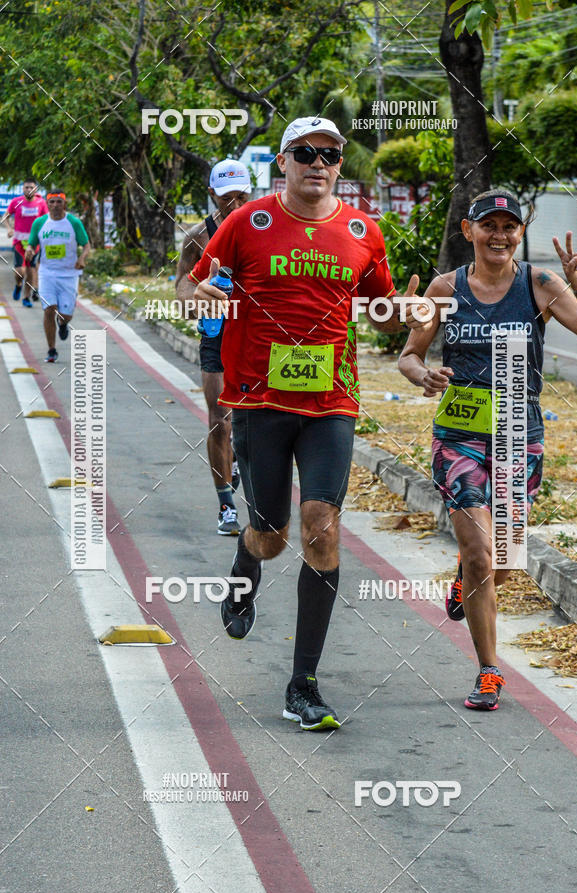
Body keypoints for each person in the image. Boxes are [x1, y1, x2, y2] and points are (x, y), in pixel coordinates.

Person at [189, 116, 415, 730]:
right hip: (261, 403)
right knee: (272, 536)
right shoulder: (247, 222)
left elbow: (382, 312)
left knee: (322, 530)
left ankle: (303, 684)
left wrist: (404, 314)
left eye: (331, 154)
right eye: (306, 153)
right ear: (284, 162)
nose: (319, 162)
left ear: (340, 164)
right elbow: (192, 286)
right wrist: (201, 296)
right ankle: (245, 566)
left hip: (331, 405)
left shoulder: (365, 229)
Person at [398, 188, 577, 711]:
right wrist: (424, 375)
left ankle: (465, 590)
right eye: (489, 225)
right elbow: (409, 357)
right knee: (480, 553)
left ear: (519, 233)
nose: (500, 235)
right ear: (469, 231)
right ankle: (489, 671)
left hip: (518, 433)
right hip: (459, 435)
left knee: (504, 558)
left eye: (510, 226)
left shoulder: (540, 284)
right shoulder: (446, 288)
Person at [177, 159, 252, 537]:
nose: (235, 205)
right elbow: (181, 290)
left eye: (241, 196)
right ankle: (226, 506)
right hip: (216, 335)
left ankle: (237, 461)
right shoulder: (197, 237)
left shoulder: (263, 230)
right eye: (227, 198)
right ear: (212, 195)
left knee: (251, 420)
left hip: (256, 337)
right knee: (219, 418)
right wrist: (197, 300)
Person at [26, 190, 90, 363]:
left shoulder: (73, 223)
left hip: (69, 274)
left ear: (64, 204)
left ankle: (63, 324)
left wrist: (82, 258)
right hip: (47, 273)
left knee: (65, 314)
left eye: (58, 202)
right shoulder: (40, 223)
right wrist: (29, 251)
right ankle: (51, 350)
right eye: (52, 202)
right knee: (48, 309)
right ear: (47, 204)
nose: (55, 205)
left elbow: (86, 245)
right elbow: (32, 244)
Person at [1, 177, 48, 307]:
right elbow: (6, 215)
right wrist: (10, 228)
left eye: (31, 187)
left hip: (34, 243)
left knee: (31, 270)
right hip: (19, 242)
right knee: (19, 271)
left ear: (36, 189)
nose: (28, 189)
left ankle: (26, 297)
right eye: (26, 187)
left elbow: (46, 220)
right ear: (22, 189)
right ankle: (18, 285)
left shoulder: (41, 203)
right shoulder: (16, 202)